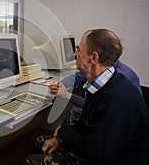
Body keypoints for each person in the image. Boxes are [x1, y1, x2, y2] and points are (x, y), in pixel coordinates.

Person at [23, 29, 149, 164]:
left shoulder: (117, 101)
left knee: (31, 161)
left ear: (94, 58)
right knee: (40, 143)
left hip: (112, 159)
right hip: (100, 146)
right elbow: (86, 122)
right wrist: (60, 136)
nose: (74, 54)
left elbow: (97, 154)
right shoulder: (103, 82)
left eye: (78, 49)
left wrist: (63, 132)